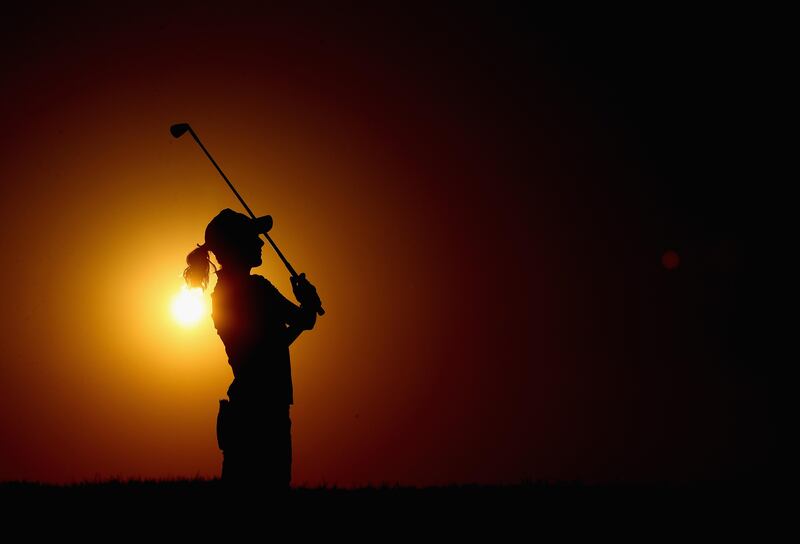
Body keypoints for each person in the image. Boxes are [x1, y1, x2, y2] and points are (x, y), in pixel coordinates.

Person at [183, 208, 320, 491]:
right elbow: (285, 335)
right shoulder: (255, 288)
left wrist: (307, 308)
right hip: (261, 411)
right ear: (235, 247)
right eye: (252, 238)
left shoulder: (229, 292)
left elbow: (297, 325)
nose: (261, 243)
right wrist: (307, 303)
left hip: (250, 406)